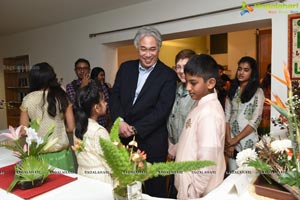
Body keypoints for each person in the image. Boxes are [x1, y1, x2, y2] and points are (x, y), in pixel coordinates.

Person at [110, 26, 177, 198]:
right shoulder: (125, 68)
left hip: (152, 143)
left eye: (152, 49)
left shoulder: (168, 75)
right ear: (137, 48)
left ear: (159, 48)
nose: (148, 54)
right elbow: (114, 97)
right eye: (143, 49)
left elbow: (162, 110)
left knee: (154, 190)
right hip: (123, 141)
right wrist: (120, 122)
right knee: (126, 185)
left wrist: (134, 129)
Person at [174, 54, 226, 199]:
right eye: (187, 82)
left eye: (193, 83)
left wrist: (193, 192)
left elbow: (207, 160)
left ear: (210, 83)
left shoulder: (209, 112)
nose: (188, 87)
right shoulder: (201, 105)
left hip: (198, 193)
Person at [19, 62, 75, 172]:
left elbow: (23, 131)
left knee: (45, 188)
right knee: (65, 186)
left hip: (39, 154)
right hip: (62, 154)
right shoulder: (62, 96)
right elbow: (71, 127)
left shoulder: (28, 99)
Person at [225, 56, 265, 171]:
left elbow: (255, 121)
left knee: (247, 176)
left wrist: (235, 139)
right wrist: (229, 141)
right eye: (239, 69)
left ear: (252, 73)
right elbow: (226, 117)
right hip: (231, 140)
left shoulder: (257, 92)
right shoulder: (233, 90)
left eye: (246, 70)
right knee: (232, 175)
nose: (241, 72)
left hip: (248, 141)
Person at [73, 82, 112, 183]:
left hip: (82, 175)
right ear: (97, 108)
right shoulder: (99, 131)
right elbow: (110, 161)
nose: (106, 103)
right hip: (100, 178)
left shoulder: (77, 128)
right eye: (103, 100)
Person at [66, 59, 110, 129]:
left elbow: (107, 101)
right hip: (82, 125)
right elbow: (74, 105)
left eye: (85, 68)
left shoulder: (99, 83)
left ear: (89, 70)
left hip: (101, 123)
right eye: (79, 68)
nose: (82, 71)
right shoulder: (70, 86)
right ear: (75, 70)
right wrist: (82, 87)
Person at [258, 63, 271, 135]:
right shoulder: (276, 82)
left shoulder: (262, 81)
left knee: (263, 132)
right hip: (269, 108)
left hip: (264, 108)